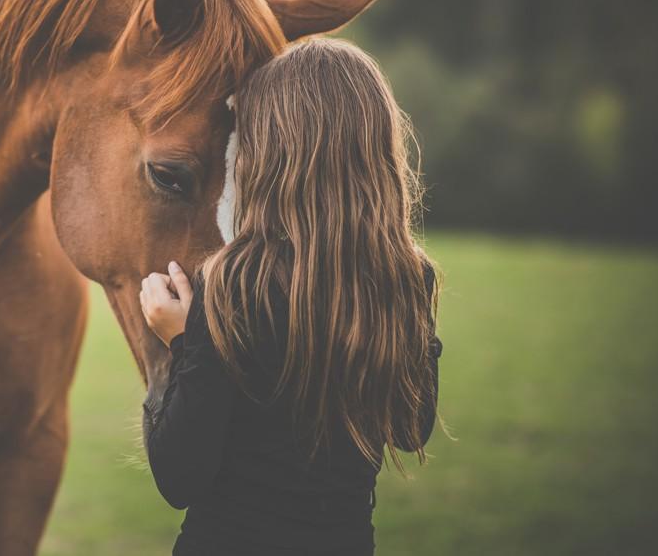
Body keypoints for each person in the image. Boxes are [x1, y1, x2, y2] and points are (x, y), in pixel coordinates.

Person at [138, 38, 443, 556]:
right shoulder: (406, 277)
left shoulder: (233, 284)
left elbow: (180, 476)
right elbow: (411, 428)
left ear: (270, 152)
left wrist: (181, 341)